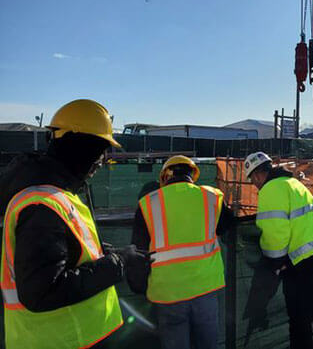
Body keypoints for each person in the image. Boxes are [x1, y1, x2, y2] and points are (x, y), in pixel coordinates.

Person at [0, 99, 149, 349]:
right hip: (62, 340)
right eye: (100, 150)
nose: (101, 161)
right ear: (82, 148)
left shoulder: (55, 195)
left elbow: (67, 256)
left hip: (73, 337)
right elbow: (42, 291)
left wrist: (112, 254)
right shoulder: (42, 204)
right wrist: (118, 263)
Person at [132, 155, 235, 349]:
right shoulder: (211, 197)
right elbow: (227, 224)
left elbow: (137, 252)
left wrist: (139, 287)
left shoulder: (147, 204)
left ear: (165, 177)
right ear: (192, 175)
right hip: (206, 288)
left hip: (168, 294)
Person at [244, 151, 313, 349]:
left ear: (258, 174)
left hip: (304, 263)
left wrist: (275, 263)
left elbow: (275, 233)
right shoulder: (294, 183)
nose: (254, 184)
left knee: (300, 321)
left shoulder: (270, 189)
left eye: (252, 179)